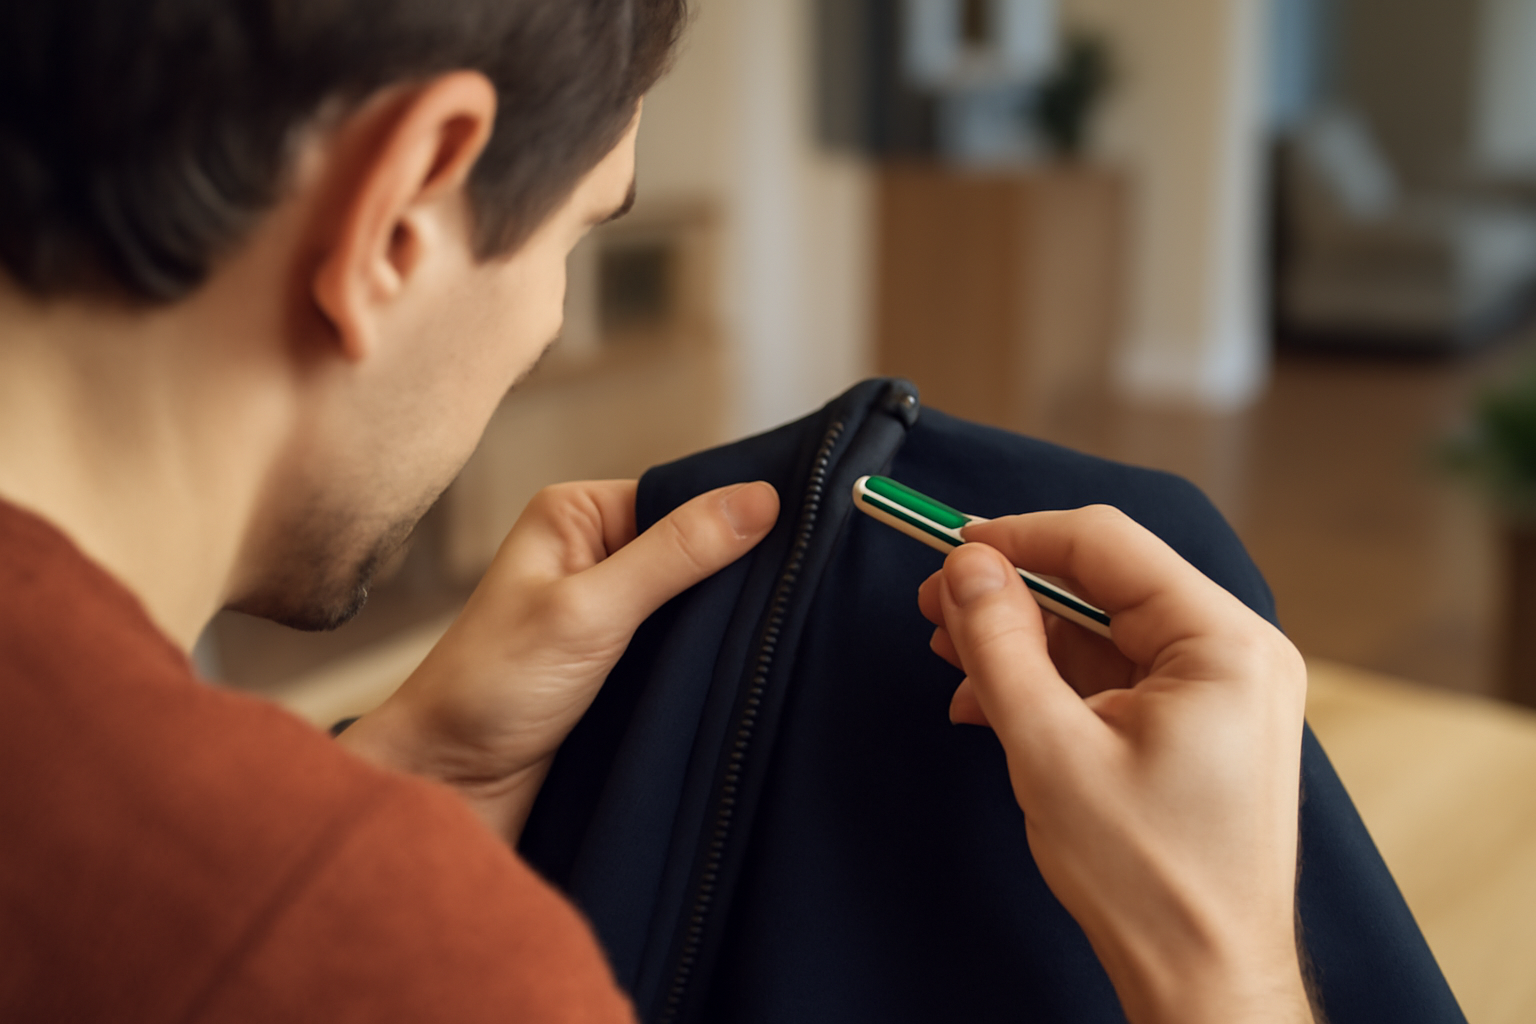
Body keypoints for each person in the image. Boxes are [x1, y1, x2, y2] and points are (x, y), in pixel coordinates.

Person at [0, 1, 1313, 1021]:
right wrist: (1227, 971)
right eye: (579, 232)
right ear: (402, 212)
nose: (554, 311)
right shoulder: (397, 963)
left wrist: (406, 777)